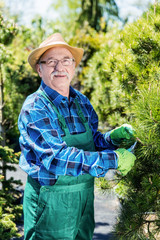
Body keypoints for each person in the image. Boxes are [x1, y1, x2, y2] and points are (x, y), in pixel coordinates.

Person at [18, 33, 136, 240]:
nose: (59, 67)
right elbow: (56, 158)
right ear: (39, 68)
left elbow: (92, 142)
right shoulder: (35, 107)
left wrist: (112, 139)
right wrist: (114, 159)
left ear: (73, 66)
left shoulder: (81, 101)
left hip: (83, 202)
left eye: (66, 60)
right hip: (50, 206)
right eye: (51, 62)